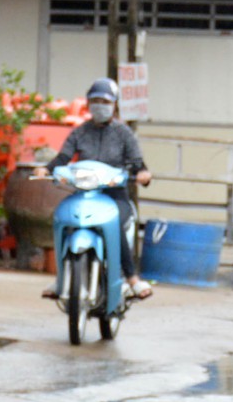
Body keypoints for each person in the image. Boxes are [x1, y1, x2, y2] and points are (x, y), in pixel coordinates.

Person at [47, 78, 154, 299]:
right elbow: (63, 157)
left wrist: (142, 173)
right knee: (63, 219)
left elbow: (137, 163)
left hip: (114, 195)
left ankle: (131, 278)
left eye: (104, 101)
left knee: (115, 223)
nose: (99, 105)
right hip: (84, 194)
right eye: (95, 101)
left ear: (114, 104)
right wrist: (46, 170)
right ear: (88, 104)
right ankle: (61, 279)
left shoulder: (124, 133)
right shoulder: (80, 132)